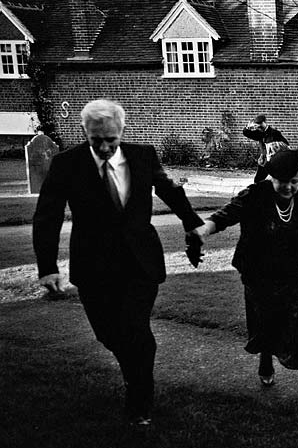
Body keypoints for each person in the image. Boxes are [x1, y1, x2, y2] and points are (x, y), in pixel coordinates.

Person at [32, 99, 205, 426]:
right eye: (96, 140)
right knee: (109, 334)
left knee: (135, 329)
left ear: (121, 131)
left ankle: (140, 398)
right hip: (93, 266)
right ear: (85, 132)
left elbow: (170, 191)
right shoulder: (67, 164)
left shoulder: (143, 156)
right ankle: (133, 375)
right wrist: (48, 267)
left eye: (111, 139)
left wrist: (191, 223)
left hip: (140, 262)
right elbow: (47, 216)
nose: (105, 147)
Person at [190, 149, 298, 407]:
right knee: (266, 322)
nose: (290, 187)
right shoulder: (255, 195)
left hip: (294, 272)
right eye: (283, 182)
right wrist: (202, 231)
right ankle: (266, 358)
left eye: (295, 181)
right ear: (272, 177)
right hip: (259, 271)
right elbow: (226, 215)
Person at [243, 114, 289, 183]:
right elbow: (247, 133)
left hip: (274, 161)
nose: (258, 126)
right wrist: (248, 127)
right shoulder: (259, 133)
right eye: (257, 124)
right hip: (264, 160)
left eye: (260, 123)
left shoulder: (274, 133)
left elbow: (286, 144)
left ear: (264, 122)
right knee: (258, 180)